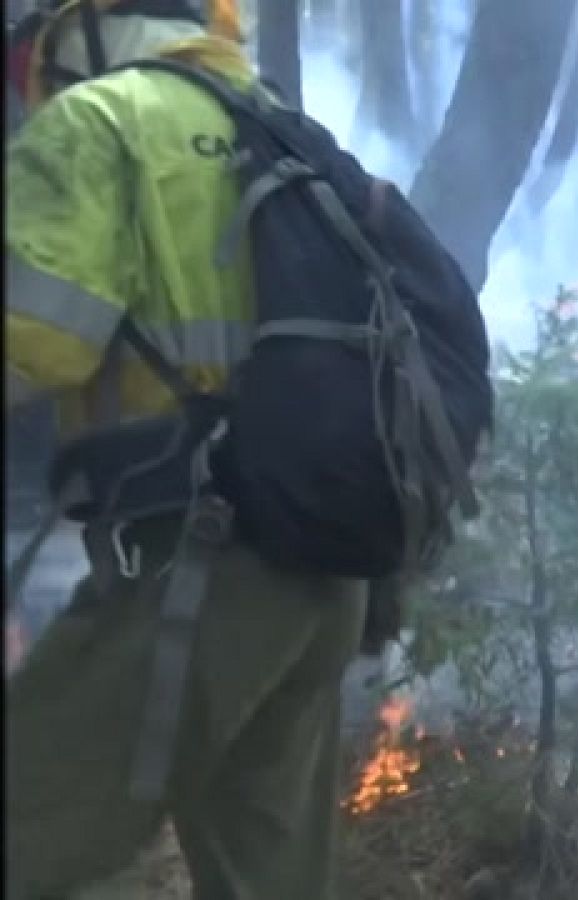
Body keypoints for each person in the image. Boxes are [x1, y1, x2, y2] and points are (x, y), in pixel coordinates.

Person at [5, 2, 368, 896]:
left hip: (197, 565)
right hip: (324, 564)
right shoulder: (273, 118)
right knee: (267, 878)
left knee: (28, 822)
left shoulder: (97, 119)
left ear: (75, 31)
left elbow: (39, 338)